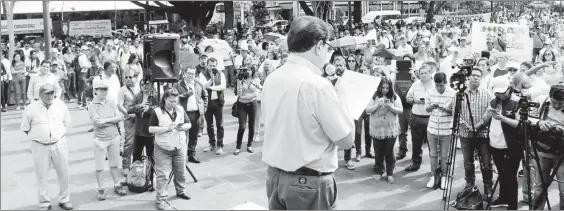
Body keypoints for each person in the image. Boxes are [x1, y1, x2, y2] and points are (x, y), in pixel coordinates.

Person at [261, 16, 354, 210]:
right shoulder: (316, 85)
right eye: (328, 47)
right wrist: (343, 95)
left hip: (275, 176)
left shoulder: (273, 77)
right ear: (319, 46)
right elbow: (346, 140)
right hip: (308, 183)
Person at [20, 83, 73, 210]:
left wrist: (56, 135)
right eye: (47, 93)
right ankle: (44, 202)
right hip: (40, 146)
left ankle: (64, 199)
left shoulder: (60, 105)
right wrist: (39, 136)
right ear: (40, 94)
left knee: (64, 173)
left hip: (59, 143)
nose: (50, 96)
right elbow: (25, 127)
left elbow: (67, 122)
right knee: (41, 175)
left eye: (52, 93)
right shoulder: (31, 108)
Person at [481, 77, 522, 209]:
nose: (500, 95)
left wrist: (502, 118)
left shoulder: (517, 102)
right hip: (494, 143)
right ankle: (503, 197)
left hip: (510, 145)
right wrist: (488, 114)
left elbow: (519, 124)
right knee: (501, 173)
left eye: (503, 92)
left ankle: (512, 203)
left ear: (509, 88)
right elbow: (485, 120)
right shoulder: (493, 101)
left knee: (510, 175)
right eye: (498, 93)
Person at [148, 88, 192, 210]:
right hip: (162, 148)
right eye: (171, 101)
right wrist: (166, 128)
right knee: (163, 176)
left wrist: (182, 127)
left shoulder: (180, 109)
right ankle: (161, 199)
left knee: (181, 171)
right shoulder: (156, 112)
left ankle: (181, 191)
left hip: (179, 146)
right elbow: (151, 129)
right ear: (165, 99)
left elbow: (189, 124)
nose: (173, 104)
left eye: (175, 101)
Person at [457, 68, 495, 199]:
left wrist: (478, 126)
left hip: (482, 133)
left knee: (486, 162)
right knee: (468, 162)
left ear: (481, 78)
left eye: (478, 76)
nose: (475, 78)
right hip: (465, 133)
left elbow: (490, 111)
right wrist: (466, 126)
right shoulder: (460, 93)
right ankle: (469, 185)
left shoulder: (487, 93)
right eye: (473, 75)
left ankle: (488, 186)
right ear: (468, 78)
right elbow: (455, 112)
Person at [87, 80, 127, 200]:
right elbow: (97, 122)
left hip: (114, 137)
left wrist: (105, 120)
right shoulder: (92, 106)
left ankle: (117, 184)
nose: (104, 92)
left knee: (114, 164)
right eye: (101, 89)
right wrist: (111, 119)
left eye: (105, 89)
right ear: (95, 91)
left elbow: (120, 117)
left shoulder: (111, 102)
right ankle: (101, 189)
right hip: (100, 139)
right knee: (99, 167)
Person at [529, 83, 564, 210]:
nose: (557, 106)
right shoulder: (542, 101)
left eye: (561, 103)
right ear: (550, 97)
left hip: (562, 155)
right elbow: (527, 118)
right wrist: (539, 122)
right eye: (554, 102)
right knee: (539, 188)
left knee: (563, 191)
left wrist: (561, 130)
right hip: (542, 151)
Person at [365, 77, 403, 183]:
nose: (385, 90)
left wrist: (391, 107)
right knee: (378, 151)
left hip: (391, 129)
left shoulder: (394, 96)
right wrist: (377, 105)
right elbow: (367, 109)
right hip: (377, 129)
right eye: (383, 88)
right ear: (379, 87)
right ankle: (379, 171)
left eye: (387, 88)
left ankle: (390, 173)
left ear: (390, 87)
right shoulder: (374, 95)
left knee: (389, 151)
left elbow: (400, 111)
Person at [127, 79, 159, 191]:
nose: (144, 86)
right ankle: (134, 179)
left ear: (151, 85)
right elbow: (128, 109)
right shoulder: (137, 96)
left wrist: (149, 109)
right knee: (136, 156)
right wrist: (139, 106)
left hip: (150, 132)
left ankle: (150, 179)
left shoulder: (155, 95)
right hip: (138, 131)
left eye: (147, 84)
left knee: (151, 157)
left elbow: (160, 111)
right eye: (142, 84)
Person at [425, 72, 455, 189]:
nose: (439, 88)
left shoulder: (453, 93)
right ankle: (433, 176)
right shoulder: (430, 91)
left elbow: (455, 112)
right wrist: (432, 107)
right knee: (433, 154)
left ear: (445, 83)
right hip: (432, 128)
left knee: (444, 155)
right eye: (437, 85)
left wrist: (446, 109)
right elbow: (427, 109)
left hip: (446, 130)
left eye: (441, 85)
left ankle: (444, 176)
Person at [173, 67, 208, 163]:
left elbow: (205, 96)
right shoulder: (178, 84)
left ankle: (191, 154)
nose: (190, 75)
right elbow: (174, 98)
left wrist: (203, 109)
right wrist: (186, 94)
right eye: (188, 73)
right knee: (182, 136)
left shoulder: (198, 83)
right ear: (184, 73)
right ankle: (181, 155)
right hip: (184, 114)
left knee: (194, 136)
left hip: (196, 114)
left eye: (192, 74)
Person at [404, 64, 434, 172]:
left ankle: (434, 168)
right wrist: (415, 101)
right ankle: (416, 164)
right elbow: (408, 98)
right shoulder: (416, 84)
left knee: (433, 144)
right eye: (421, 73)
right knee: (416, 143)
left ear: (431, 73)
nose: (423, 75)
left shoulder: (435, 85)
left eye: (426, 73)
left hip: (431, 118)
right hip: (416, 116)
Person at [201, 58, 227, 155]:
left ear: (217, 65)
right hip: (207, 102)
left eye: (214, 65)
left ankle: (220, 145)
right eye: (210, 65)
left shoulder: (221, 73)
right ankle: (212, 143)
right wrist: (211, 80)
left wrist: (211, 87)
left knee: (220, 125)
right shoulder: (202, 74)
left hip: (218, 102)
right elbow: (203, 86)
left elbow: (223, 86)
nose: (212, 67)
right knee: (209, 125)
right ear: (207, 65)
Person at [234, 66, 260, 155]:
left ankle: (249, 145)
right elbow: (239, 94)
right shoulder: (240, 79)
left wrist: (247, 97)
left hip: (252, 104)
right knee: (242, 126)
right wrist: (239, 82)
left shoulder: (256, 80)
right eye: (245, 70)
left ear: (252, 71)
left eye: (248, 70)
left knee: (251, 126)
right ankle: (238, 146)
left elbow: (256, 93)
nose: (246, 72)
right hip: (242, 105)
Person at [117, 70, 139, 175]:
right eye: (126, 77)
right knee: (129, 142)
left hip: (141, 119)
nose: (128, 79)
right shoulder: (123, 90)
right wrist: (128, 113)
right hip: (129, 119)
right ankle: (125, 165)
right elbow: (120, 105)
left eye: (130, 77)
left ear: (136, 77)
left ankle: (137, 164)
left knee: (140, 142)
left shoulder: (141, 87)